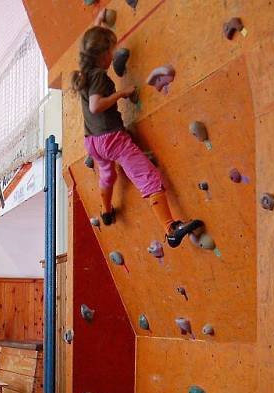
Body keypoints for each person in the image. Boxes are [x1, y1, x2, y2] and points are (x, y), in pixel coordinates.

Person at [71, 21, 202, 248]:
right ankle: (170, 229)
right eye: (110, 51)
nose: (112, 56)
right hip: (112, 139)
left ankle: (107, 210)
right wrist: (122, 93)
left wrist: (99, 23)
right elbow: (95, 106)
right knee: (147, 177)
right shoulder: (99, 76)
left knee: (107, 175)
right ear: (101, 54)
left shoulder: (84, 74)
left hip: (92, 142)